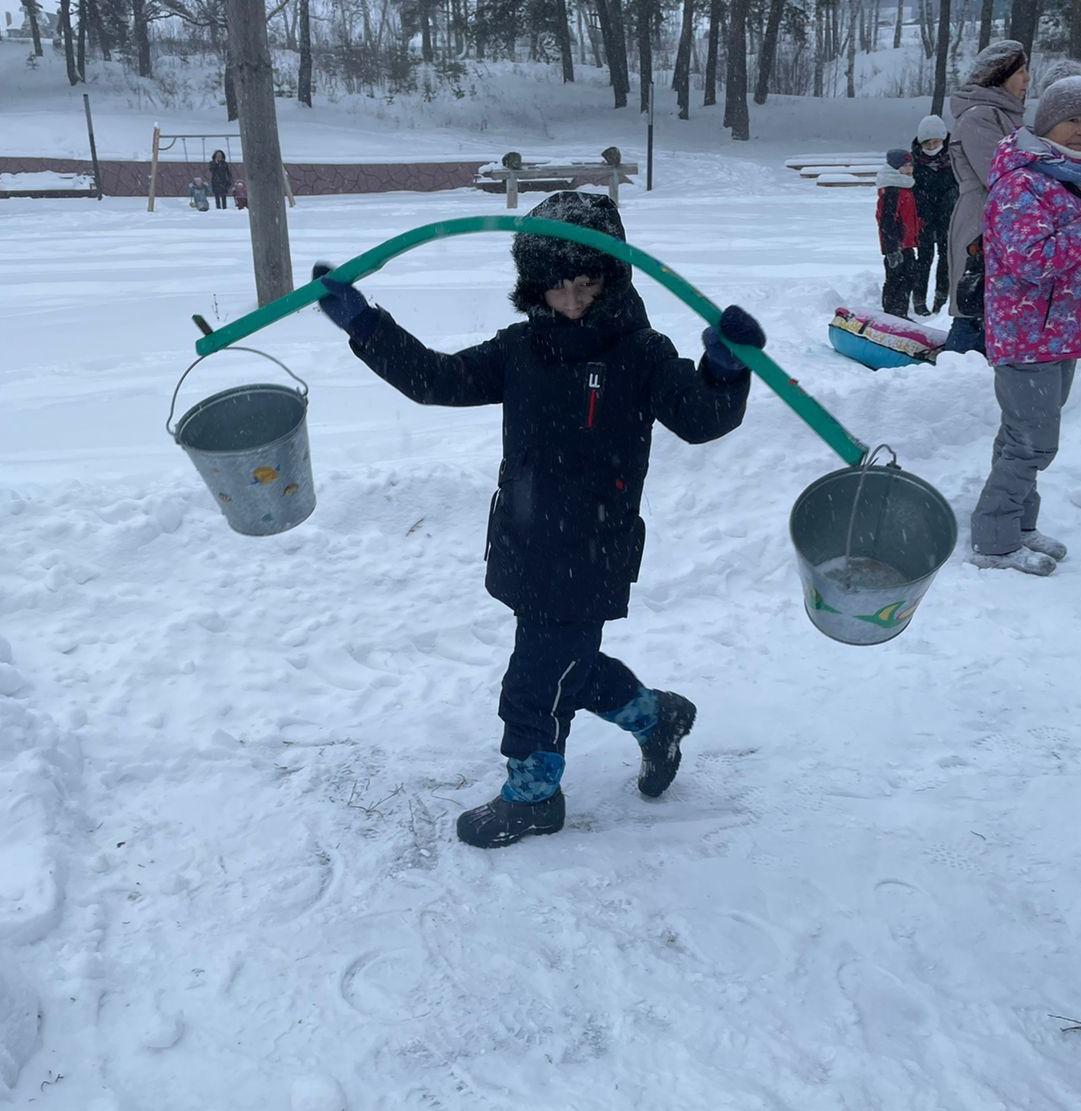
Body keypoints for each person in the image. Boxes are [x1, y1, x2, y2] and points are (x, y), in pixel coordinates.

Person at [311, 191, 765, 849]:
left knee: (532, 686)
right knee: (568, 671)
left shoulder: (640, 353)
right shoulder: (522, 349)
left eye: (587, 284)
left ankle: (533, 796)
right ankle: (656, 717)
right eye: (558, 287)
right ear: (534, 286)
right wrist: (363, 324)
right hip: (525, 542)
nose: (574, 300)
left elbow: (699, 420)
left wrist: (725, 370)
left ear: (613, 278)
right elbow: (436, 379)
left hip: (593, 551)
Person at [967, 76, 1081, 575]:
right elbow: (1032, 260)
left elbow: (1073, 260)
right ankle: (994, 540)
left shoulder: (1057, 178)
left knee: (1019, 438)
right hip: (1027, 337)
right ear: (1047, 122)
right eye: (1073, 120)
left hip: (1055, 334)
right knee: (1033, 444)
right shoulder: (1020, 183)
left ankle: (1018, 527)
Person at [945, 39, 1031, 354]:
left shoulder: (1006, 116)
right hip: (982, 220)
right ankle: (954, 378)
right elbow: (1002, 177)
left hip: (1005, 221)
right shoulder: (980, 116)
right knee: (975, 305)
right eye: (1021, 72)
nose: (1027, 80)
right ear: (1000, 75)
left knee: (996, 308)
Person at [911, 114, 958, 318]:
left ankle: (941, 298)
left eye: (936, 142)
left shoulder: (955, 159)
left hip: (948, 216)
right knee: (924, 258)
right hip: (923, 219)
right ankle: (919, 300)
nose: (932, 146)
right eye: (927, 143)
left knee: (946, 259)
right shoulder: (914, 163)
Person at [875, 149, 920, 319]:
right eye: (904, 166)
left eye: (910, 165)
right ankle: (892, 312)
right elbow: (886, 221)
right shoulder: (892, 190)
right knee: (896, 280)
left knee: (908, 278)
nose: (908, 169)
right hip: (896, 246)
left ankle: (900, 312)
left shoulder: (905, 186)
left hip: (907, 244)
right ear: (894, 168)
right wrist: (892, 248)